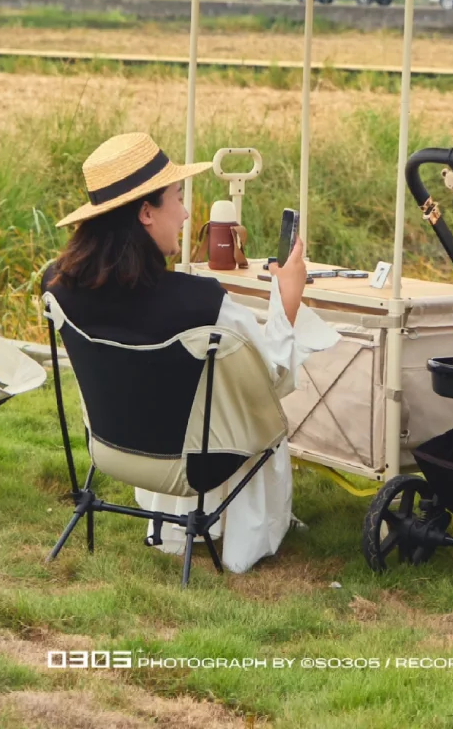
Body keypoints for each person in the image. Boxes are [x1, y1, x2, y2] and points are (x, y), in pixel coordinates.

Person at [42, 131, 340, 573]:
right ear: (146, 212)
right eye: (177, 199)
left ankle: (172, 522)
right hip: (192, 466)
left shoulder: (59, 286)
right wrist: (287, 300)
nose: (185, 214)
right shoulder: (202, 303)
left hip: (109, 450)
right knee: (248, 413)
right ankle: (240, 533)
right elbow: (273, 378)